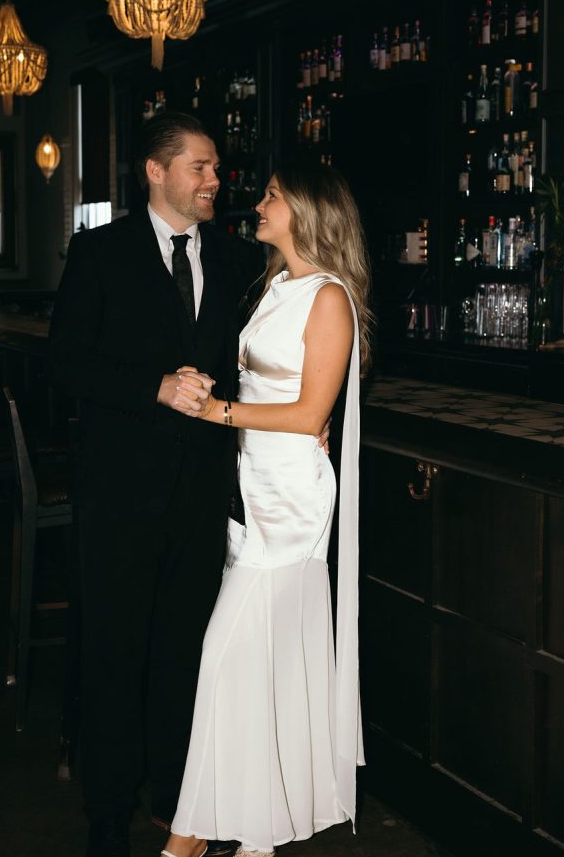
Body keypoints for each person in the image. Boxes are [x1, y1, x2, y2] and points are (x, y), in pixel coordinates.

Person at [47, 111, 264, 857]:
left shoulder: (238, 260)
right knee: (113, 654)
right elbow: (66, 365)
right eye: (199, 168)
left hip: (204, 494)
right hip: (118, 495)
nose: (214, 181)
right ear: (155, 170)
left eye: (214, 169)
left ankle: (183, 804)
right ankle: (107, 810)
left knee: (185, 656)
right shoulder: (99, 252)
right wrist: (152, 387)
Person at [161, 160, 371, 857]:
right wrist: (210, 386)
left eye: (271, 196)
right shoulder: (278, 285)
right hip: (251, 491)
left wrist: (217, 410)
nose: (257, 204)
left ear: (306, 211)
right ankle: (255, 834)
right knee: (255, 665)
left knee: (225, 658)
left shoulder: (329, 297)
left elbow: (312, 409)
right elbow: (265, 382)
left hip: (289, 503)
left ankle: (187, 838)